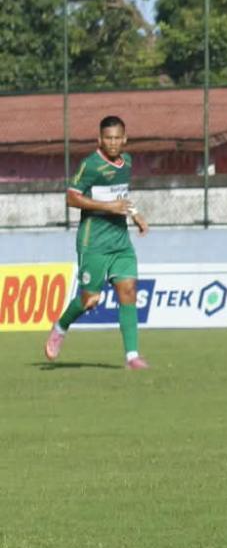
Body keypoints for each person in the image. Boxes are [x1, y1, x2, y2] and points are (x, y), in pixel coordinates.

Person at [45, 115, 150, 369]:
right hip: (94, 242)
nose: (113, 143)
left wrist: (135, 214)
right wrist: (108, 206)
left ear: (125, 139)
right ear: (99, 139)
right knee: (90, 299)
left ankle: (132, 356)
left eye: (117, 138)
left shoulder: (128, 162)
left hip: (120, 241)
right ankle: (61, 327)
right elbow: (71, 198)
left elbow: (121, 194)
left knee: (128, 291)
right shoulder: (90, 165)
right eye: (108, 138)